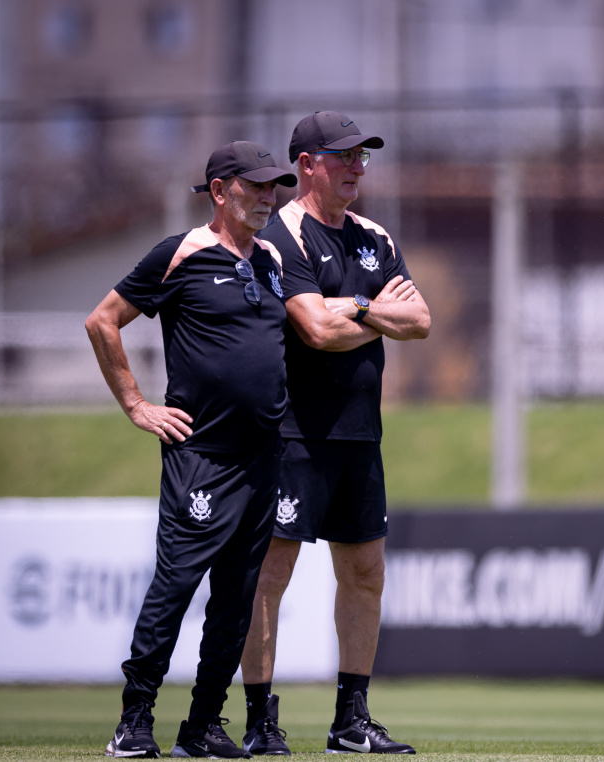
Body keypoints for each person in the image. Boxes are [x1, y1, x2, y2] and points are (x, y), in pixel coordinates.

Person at [86, 140, 297, 759]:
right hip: (200, 456)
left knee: (236, 601)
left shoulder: (271, 263)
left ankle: (203, 725)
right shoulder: (180, 253)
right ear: (219, 190)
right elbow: (103, 320)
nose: (268, 197)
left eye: (274, 187)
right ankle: (134, 720)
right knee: (175, 588)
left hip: (263, 458)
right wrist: (136, 404)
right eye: (256, 186)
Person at [239, 111, 430, 756]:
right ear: (307, 165)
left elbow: (422, 319)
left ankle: (351, 720)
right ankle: (260, 719)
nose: (357, 166)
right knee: (271, 575)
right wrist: (380, 312)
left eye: (363, 156)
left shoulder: (374, 236)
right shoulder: (283, 235)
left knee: (365, 572)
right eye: (343, 155)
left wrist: (355, 307)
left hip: (359, 434)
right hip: (293, 434)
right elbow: (313, 333)